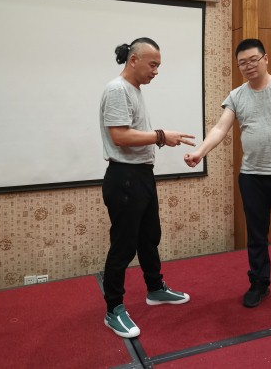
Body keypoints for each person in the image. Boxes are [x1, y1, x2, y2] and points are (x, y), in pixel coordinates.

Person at [185, 38, 271, 312]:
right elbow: (220, 128)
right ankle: (259, 283)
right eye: (242, 63)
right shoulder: (236, 95)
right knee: (257, 236)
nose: (248, 66)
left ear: (265, 59)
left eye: (253, 60)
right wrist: (200, 152)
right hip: (252, 178)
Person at [100, 37, 195, 338]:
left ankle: (155, 288)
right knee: (124, 244)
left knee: (149, 236)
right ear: (134, 60)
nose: (156, 71)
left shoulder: (134, 90)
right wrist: (161, 135)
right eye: (152, 64)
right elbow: (119, 136)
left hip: (141, 175)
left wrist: (159, 137)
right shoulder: (117, 90)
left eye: (158, 66)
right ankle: (113, 308)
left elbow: (133, 134)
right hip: (124, 177)